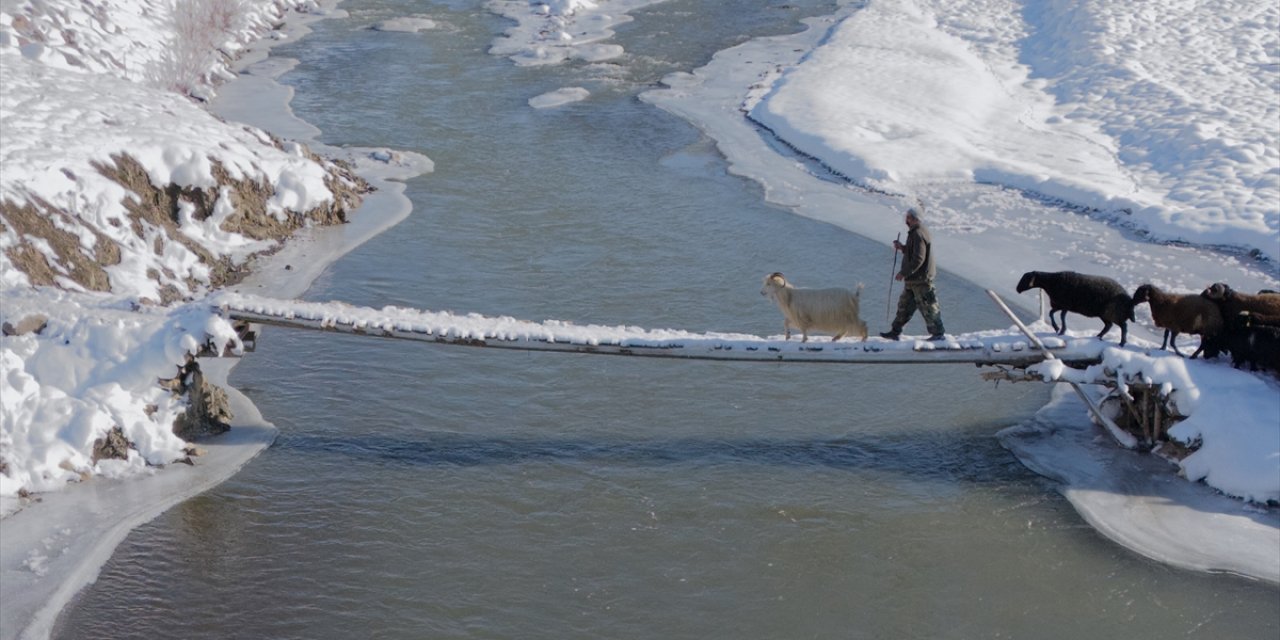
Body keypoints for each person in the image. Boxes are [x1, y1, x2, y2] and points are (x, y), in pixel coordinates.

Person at [880, 207, 946, 341]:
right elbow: (913, 253)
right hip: (913, 280)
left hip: (921, 280)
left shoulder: (918, 234)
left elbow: (918, 259)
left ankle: (938, 334)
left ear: (915, 219)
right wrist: (902, 247)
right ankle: (895, 331)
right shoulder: (915, 232)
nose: (906, 219)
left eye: (908, 217)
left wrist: (903, 273)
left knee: (928, 306)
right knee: (904, 306)